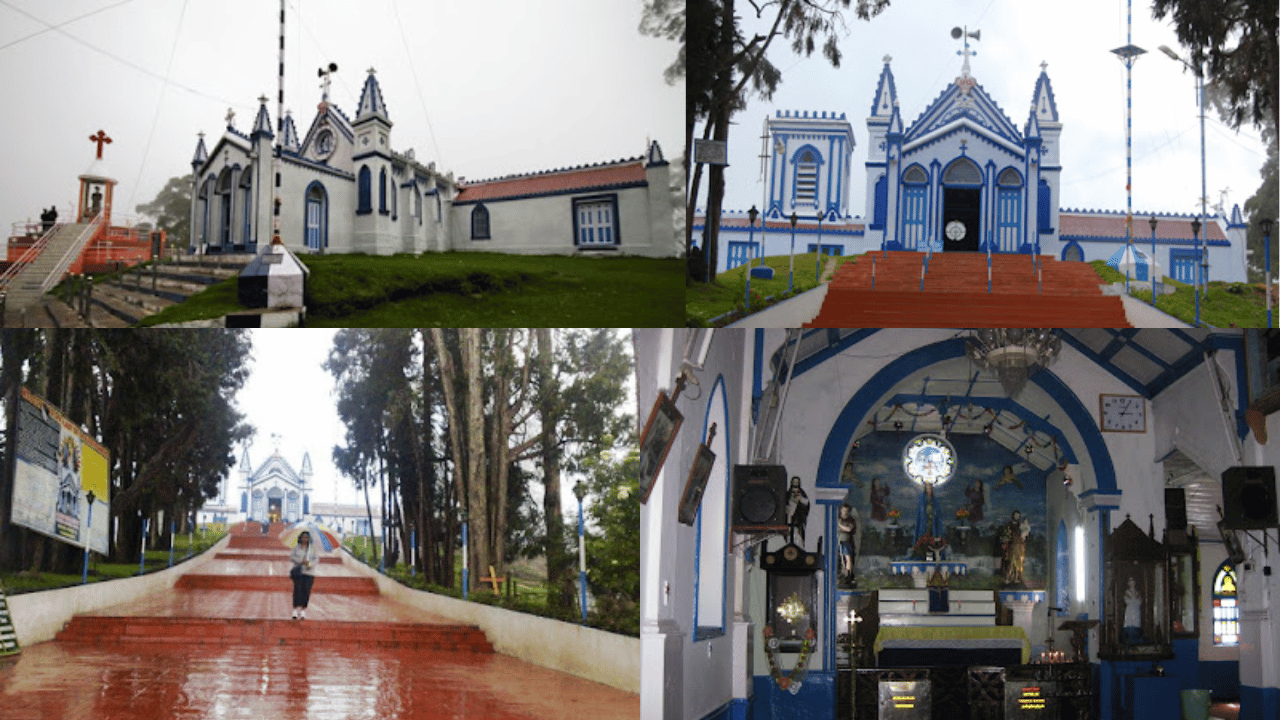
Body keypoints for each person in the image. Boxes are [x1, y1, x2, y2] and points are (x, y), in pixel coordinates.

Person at [290, 531, 318, 619]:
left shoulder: (313, 548)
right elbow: (292, 557)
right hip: (299, 572)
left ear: (309, 539)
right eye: (303, 537)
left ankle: (303, 610)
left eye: (306, 537)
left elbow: (316, 559)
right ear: (300, 538)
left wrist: (309, 563)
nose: (305, 539)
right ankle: (294, 610)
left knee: (306, 591)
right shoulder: (296, 547)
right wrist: (301, 561)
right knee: (297, 590)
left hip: (309, 573)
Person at [999, 510, 1030, 586]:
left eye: (1018, 515)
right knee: (1010, 562)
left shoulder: (1020, 525)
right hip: (1011, 546)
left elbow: (1024, 534)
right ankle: (1008, 578)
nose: (1017, 517)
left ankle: (1016, 578)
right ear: (1013, 516)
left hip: (1019, 546)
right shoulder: (1009, 525)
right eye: (1016, 515)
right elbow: (1005, 535)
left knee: (1018, 563)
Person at [785, 476, 810, 547]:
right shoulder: (788, 494)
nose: (795, 483)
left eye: (797, 482)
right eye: (794, 482)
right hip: (790, 516)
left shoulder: (801, 493)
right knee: (789, 535)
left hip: (798, 518)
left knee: (798, 536)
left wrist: (800, 499)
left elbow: (806, 503)